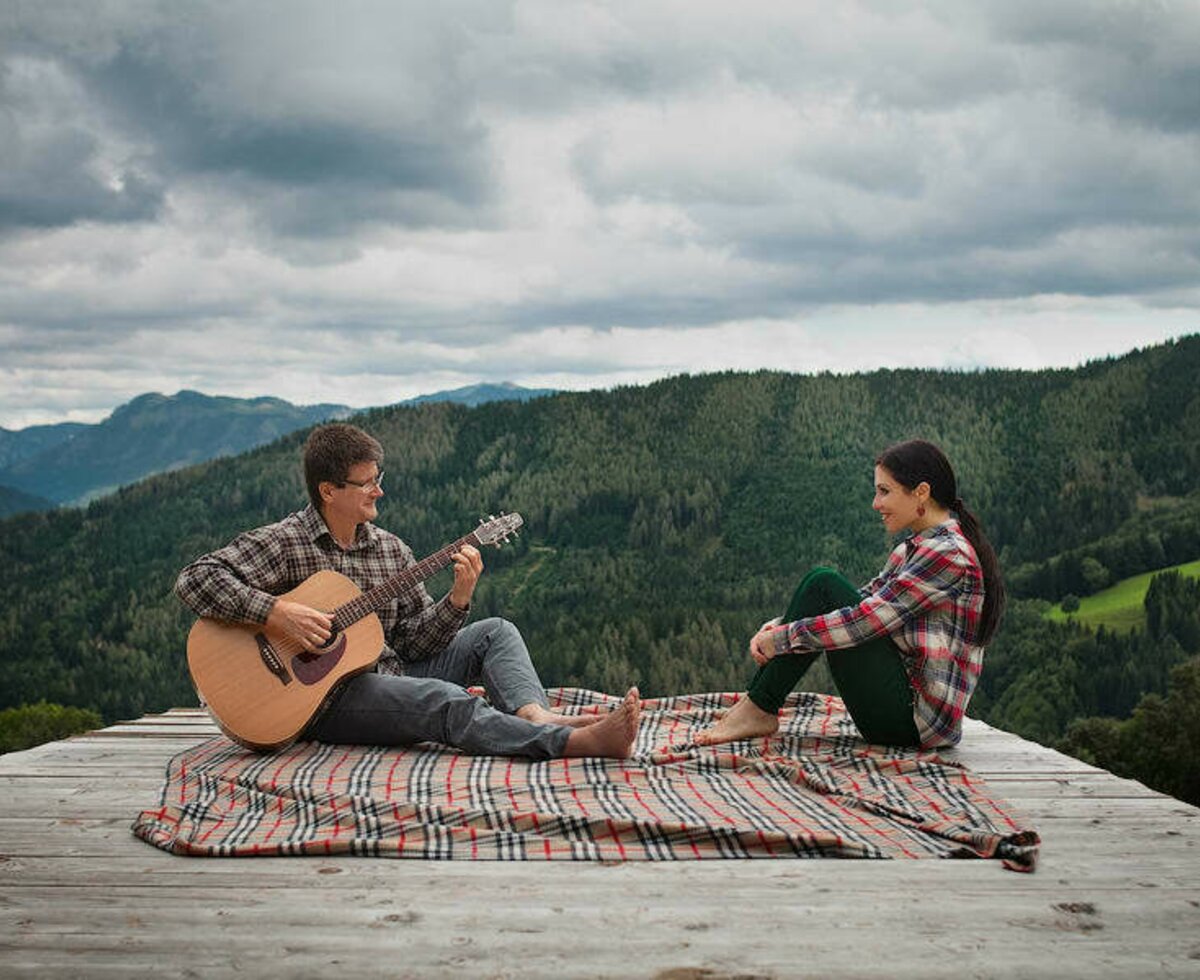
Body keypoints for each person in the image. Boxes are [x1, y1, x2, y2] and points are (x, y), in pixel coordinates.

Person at [175, 422, 640, 759]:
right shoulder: (284, 541)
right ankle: (572, 743)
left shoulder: (391, 551)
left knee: (496, 631)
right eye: (367, 483)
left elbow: (415, 641)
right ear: (328, 491)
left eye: (379, 479)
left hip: (389, 672)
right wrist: (277, 613)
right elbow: (196, 579)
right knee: (441, 700)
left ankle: (535, 715)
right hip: (325, 699)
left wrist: (458, 598)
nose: (379, 491)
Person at [697, 439, 1005, 750]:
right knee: (821, 583)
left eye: (884, 491)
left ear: (921, 492)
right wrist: (782, 624)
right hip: (902, 708)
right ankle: (757, 706)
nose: (875, 503)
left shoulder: (948, 554)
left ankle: (758, 709)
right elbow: (865, 599)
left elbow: (865, 620)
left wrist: (781, 639)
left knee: (824, 584)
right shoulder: (913, 549)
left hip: (914, 722)